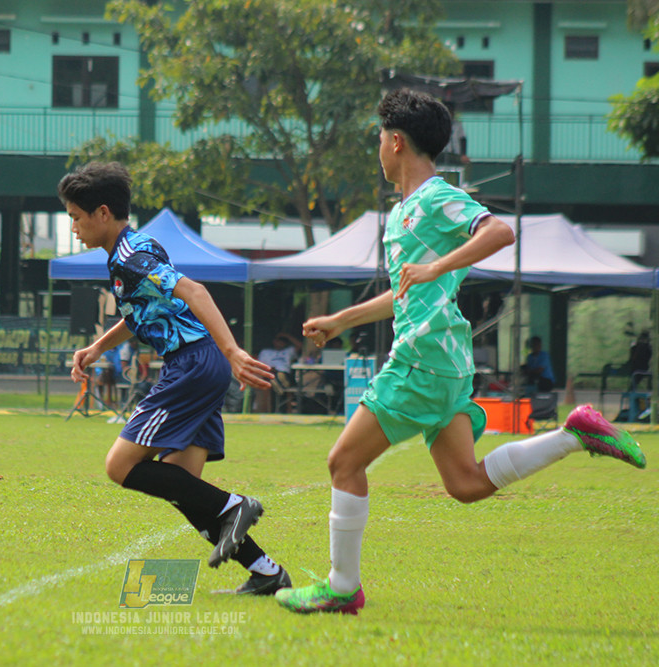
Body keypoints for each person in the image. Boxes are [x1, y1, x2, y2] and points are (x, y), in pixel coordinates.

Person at [275, 89, 646, 615]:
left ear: (396, 141)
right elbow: (407, 291)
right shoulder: (407, 210)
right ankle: (574, 433)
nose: (378, 148)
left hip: (422, 361)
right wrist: (342, 319)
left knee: (342, 462)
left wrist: (437, 267)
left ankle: (341, 586)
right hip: (445, 360)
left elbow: (499, 230)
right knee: (466, 484)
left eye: (380, 138)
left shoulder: (433, 198)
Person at [59, 161, 291, 595]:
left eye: (75, 216)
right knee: (183, 486)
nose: (73, 227)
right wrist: (96, 349)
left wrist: (232, 351)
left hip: (194, 363)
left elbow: (194, 291)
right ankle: (266, 571)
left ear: (102, 213)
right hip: (199, 364)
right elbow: (143, 314)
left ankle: (235, 504)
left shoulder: (132, 256)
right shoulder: (130, 250)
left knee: (119, 465)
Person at [255, 332, 301, 412]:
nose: (280, 343)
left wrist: (287, 335)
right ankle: (281, 386)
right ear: (274, 341)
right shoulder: (266, 352)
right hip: (270, 373)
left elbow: (300, 346)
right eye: (279, 341)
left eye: (283, 342)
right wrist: (271, 369)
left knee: (280, 375)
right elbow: (260, 366)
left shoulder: (288, 351)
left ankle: (279, 385)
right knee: (274, 377)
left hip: (285, 373)